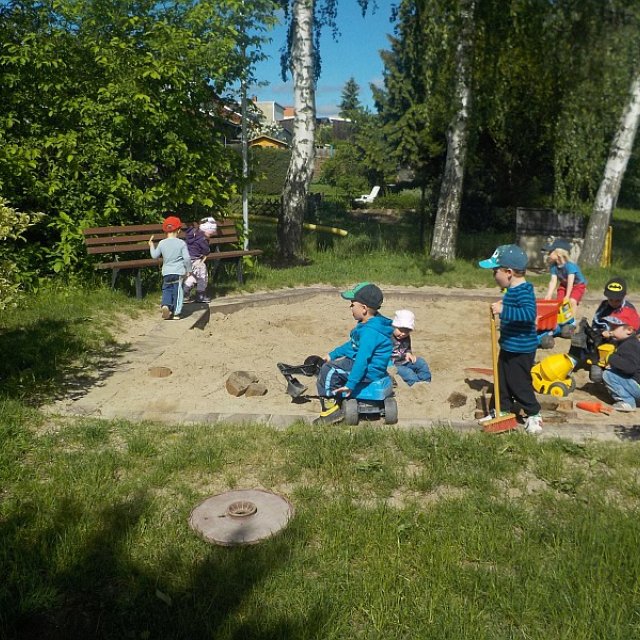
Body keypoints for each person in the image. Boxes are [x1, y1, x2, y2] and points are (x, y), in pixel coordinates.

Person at [479, 244, 543, 434]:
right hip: (509, 345)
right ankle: (500, 409)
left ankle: (534, 414)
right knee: (502, 381)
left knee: (519, 382)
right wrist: (504, 306)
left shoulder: (524, 290)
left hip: (522, 348)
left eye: (494, 271)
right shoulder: (512, 291)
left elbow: (529, 313)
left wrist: (504, 310)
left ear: (508, 272)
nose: (493, 275)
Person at [315, 282, 394, 425]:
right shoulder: (372, 323)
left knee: (329, 370)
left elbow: (362, 360)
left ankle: (332, 407)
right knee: (336, 363)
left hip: (369, 370)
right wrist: (332, 355)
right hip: (375, 367)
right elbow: (352, 345)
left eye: (352, 304)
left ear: (363, 308)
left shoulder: (369, 332)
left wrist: (350, 384)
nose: (350, 307)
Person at [571, 276, 636, 382]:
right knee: (582, 338)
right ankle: (574, 361)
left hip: (621, 340)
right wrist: (600, 331)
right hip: (602, 338)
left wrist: (613, 333)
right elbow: (596, 323)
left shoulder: (629, 309)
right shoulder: (604, 306)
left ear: (624, 296)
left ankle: (607, 365)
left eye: (617, 300)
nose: (614, 302)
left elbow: (634, 328)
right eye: (611, 299)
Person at [148, 215, 192, 320]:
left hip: (166, 272)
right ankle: (176, 313)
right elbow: (187, 258)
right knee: (178, 291)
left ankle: (165, 306)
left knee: (167, 290)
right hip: (178, 272)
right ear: (179, 230)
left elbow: (154, 256)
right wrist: (189, 270)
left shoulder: (162, 243)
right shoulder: (181, 243)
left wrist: (151, 245)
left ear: (165, 231)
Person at [601, 306, 640, 412]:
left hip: (637, 386)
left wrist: (610, 357)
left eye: (614, 328)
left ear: (629, 330)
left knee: (608, 374)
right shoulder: (629, 342)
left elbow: (630, 368)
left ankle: (627, 402)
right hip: (636, 383)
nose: (610, 330)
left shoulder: (629, 346)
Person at [543, 238, 587, 321]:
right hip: (564, 285)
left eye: (550, 252)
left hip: (578, 285)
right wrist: (549, 294)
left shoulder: (570, 266)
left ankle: (572, 321)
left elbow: (571, 281)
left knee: (572, 301)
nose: (548, 254)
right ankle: (560, 319)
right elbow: (553, 281)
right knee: (559, 302)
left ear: (559, 253)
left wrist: (567, 296)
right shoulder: (554, 266)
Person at [390, 309, 432, 386]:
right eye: (401, 330)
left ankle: (426, 383)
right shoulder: (388, 337)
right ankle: (416, 387)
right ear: (393, 326)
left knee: (421, 363)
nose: (403, 333)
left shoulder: (406, 337)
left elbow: (407, 347)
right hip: (393, 365)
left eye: (407, 331)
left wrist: (409, 353)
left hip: (404, 361)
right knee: (408, 372)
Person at [183, 216, 217, 303]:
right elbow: (206, 250)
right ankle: (200, 295)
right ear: (206, 230)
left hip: (187, 259)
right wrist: (207, 250)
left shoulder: (193, 234)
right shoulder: (202, 238)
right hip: (197, 260)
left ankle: (184, 293)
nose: (210, 235)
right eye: (210, 234)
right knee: (202, 276)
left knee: (192, 276)